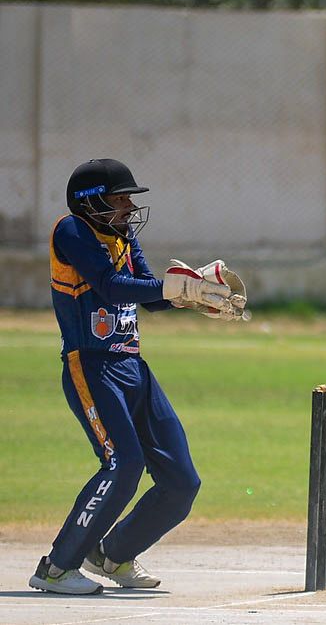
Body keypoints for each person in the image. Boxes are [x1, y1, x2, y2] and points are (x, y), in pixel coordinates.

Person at [29, 158, 247, 595]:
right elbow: (110, 286)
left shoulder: (124, 237)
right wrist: (174, 289)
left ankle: (113, 554)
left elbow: (151, 296)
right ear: (90, 202)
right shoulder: (71, 231)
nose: (129, 206)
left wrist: (195, 292)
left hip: (132, 367)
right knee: (123, 464)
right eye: (120, 198)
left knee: (181, 481)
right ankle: (56, 568)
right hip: (91, 366)